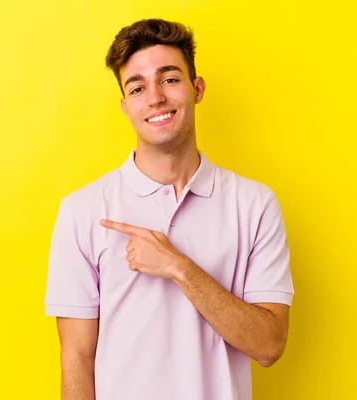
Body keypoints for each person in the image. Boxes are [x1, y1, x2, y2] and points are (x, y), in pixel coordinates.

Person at [44, 18, 294, 400]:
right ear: (125, 106)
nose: (156, 97)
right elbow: (76, 356)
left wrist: (177, 266)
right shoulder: (83, 210)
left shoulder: (255, 204)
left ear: (198, 89)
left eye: (170, 79)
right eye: (138, 87)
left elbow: (269, 345)